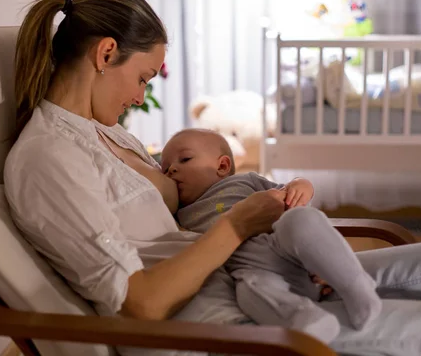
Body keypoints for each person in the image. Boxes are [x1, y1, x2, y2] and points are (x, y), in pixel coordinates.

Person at [3, 0, 421, 356]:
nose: (141, 96)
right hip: (219, 317)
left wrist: (299, 242)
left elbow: (193, 202)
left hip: (256, 265)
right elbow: (140, 305)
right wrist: (238, 223)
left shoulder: (108, 132)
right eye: (141, 78)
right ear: (106, 52)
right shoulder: (49, 158)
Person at [161, 128, 382, 343]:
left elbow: (288, 192)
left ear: (222, 165)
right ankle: (305, 319)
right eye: (165, 168)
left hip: (281, 245)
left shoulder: (244, 181)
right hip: (252, 269)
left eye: (185, 159)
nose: (171, 170)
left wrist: (301, 185)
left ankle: (357, 288)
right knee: (247, 292)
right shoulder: (179, 213)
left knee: (299, 220)